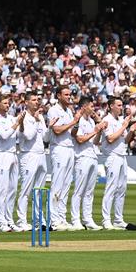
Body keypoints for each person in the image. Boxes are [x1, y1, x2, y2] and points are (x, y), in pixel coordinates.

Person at [47, 85, 81, 230]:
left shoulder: (68, 111)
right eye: (66, 94)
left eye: (70, 94)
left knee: (66, 185)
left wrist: (76, 123)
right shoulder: (53, 110)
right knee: (57, 184)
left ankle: (62, 217)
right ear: (58, 96)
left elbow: (72, 133)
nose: (69, 97)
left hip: (69, 148)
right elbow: (57, 130)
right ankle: (53, 221)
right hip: (59, 148)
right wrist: (73, 121)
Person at [70, 96, 104, 231]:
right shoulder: (78, 121)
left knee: (89, 191)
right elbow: (79, 139)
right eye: (91, 106)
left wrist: (99, 130)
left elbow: (95, 142)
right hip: (82, 157)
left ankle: (88, 219)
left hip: (93, 156)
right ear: (84, 107)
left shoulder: (90, 121)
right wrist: (95, 131)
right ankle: (75, 220)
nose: (93, 109)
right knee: (79, 190)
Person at [99, 96, 134, 230]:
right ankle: (106, 219)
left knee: (121, 189)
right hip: (112, 156)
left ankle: (118, 219)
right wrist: (124, 126)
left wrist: (130, 130)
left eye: (121, 105)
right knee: (111, 188)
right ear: (111, 106)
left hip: (122, 155)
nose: (121, 107)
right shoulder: (106, 120)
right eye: (118, 105)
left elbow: (125, 140)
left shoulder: (120, 120)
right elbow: (110, 138)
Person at [15, 92, 48, 232]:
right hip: (28, 155)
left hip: (41, 154)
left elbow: (45, 138)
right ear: (26, 102)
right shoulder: (24, 117)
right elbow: (28, 136)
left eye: (37, 100)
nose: (36, 102)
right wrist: (35, 121)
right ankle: (22, 221)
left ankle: (39, 220)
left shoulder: (39, 116)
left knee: (39, 191)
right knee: (26, 190)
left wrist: (49, 126)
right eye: (33, 100)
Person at [0, 92, 20, 232]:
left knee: (12, 189)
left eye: (9, 103)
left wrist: (17, 123)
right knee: (2, 190)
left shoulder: (10, 118)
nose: (8, 105)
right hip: (1, 155)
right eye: (5, 103)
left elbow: (18, 134)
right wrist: (16, 124)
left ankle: (9, 220)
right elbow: (4, 135)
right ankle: (1, 222)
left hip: (13, 153)